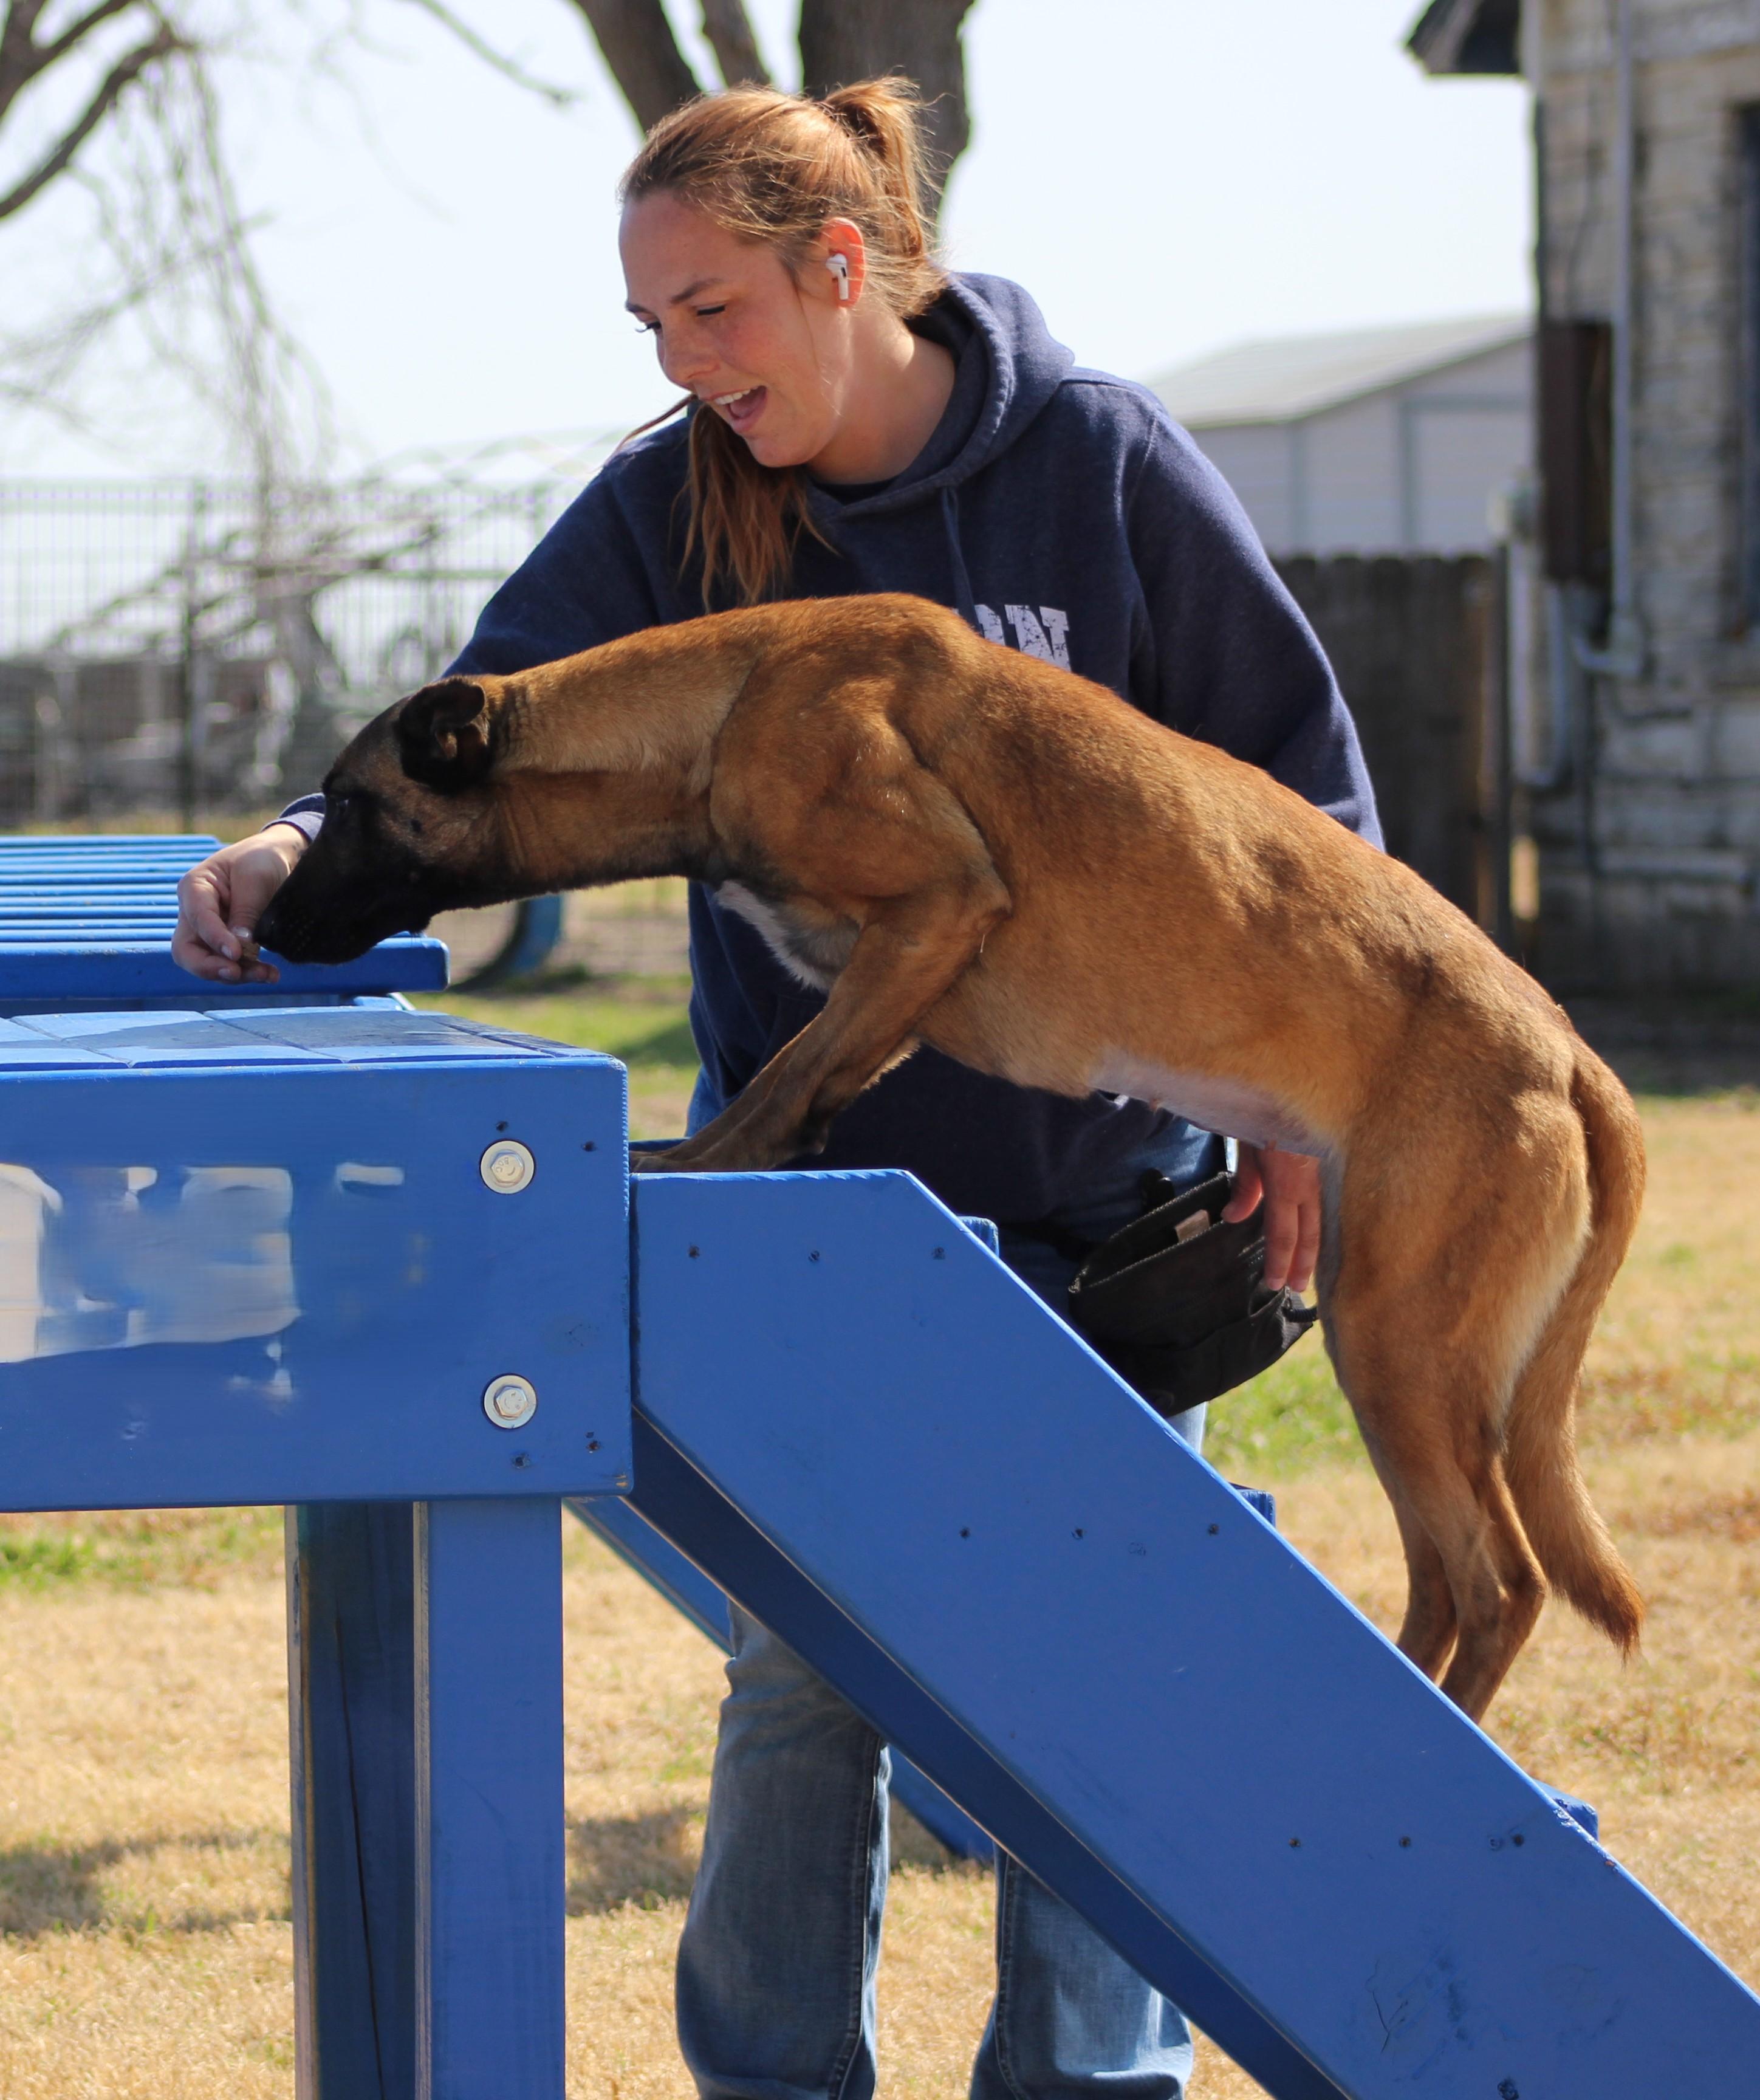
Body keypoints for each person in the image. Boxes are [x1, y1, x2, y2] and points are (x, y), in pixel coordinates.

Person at [174, 78, 1380, 2100]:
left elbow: (1296, 792)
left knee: (1103, 1659)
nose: (684, 362)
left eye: (712, 309)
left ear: (842, 268)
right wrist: (299, 847)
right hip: (823, 1208)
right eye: (652, 327)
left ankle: (1085, 2086)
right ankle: (771, 2082)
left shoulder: (1095, 462)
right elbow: (477, 723)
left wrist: (1306, 1092)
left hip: (1111, 1195)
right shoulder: (671, 507)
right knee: (808, 1678)